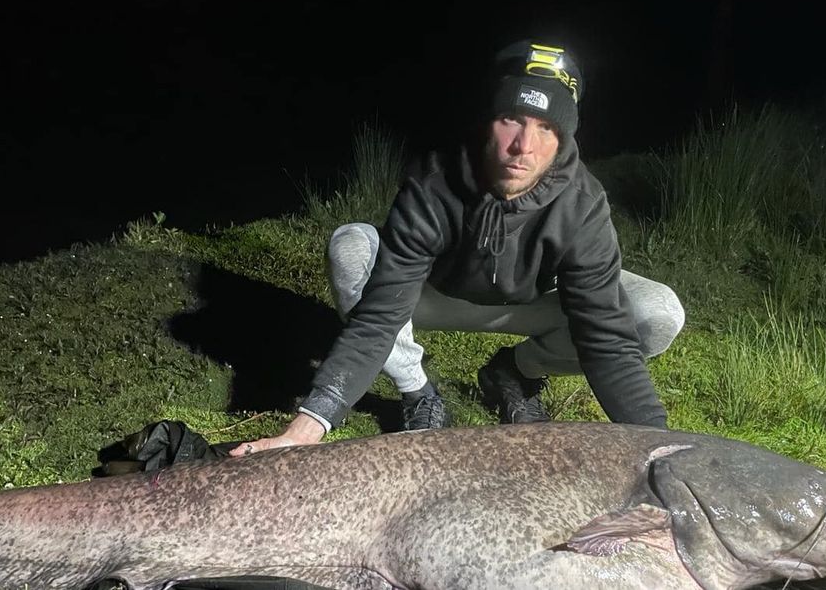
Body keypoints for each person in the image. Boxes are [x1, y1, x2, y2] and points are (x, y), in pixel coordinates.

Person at [230, 38, 685, 457]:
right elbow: (378, 320)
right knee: (351, 246)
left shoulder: (583, 205)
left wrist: (661, 450)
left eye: (546, 128)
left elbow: (606, 339)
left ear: (566, 137)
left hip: (529, 304)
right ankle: (418, 391)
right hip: (432, 298)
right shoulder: (433, 181)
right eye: (511, 120)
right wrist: (305, 429)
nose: (523, 146)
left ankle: (515, 372)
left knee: (656, 310)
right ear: (488, 119)